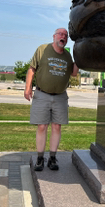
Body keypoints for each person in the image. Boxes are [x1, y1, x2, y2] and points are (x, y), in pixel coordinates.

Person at [24, 28, 79, 171]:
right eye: (60, 34)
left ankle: (53, 158)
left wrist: (79, 58)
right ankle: (40, 158)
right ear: (54, 36)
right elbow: (32, 69)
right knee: (42, 126)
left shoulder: (67, 56)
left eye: (65, 36)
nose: (63, 37)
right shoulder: (43, 49)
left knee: (57, 126)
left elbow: (73, 73)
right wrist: (28, 87)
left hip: (60, 96)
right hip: (42, 94)